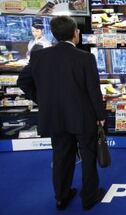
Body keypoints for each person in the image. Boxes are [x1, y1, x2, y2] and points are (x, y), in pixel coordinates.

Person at [17, 16, 106, 211]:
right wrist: (101, 116)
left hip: (54, 116)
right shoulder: (85, 57)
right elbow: (93, 91)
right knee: (88, 155)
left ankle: (61, 197)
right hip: (83, 117)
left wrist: (42, 100)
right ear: (75, 34)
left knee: (60, 156)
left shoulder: (40, 56)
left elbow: (22, 81)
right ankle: (89, 197)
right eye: (78, 31)